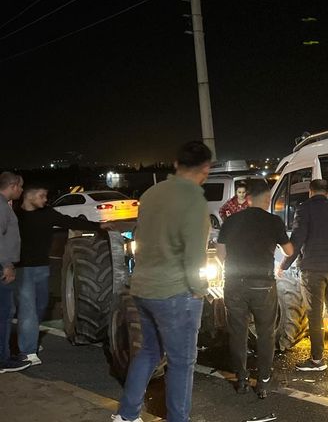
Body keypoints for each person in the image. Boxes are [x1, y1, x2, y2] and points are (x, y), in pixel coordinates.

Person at [113, 141, 212, 422]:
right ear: (205, 169)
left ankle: (127, 415)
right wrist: (200, 289)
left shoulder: (151, 193)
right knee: (182, 363)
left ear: (176, 164)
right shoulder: (194, 199)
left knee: (147, 352)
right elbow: (195, 253)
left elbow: (140, 237)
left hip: (143, 287)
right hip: (175, 292)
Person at [15, 183, 111, 366]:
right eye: (42, 196)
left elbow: (70, 221)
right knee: (28, 311)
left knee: (40, 306)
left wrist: (99, 225)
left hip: (42, 267)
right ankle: (27, 352)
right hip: (23, 269)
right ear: (29, 196)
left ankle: (31, 341)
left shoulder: (47, 213)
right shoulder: (16, 217)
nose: (45, 199)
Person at [216, 179, 288, 399]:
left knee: (238, 332)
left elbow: (220, 254)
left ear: (247, 198)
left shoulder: (231, 221)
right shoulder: (274, 222)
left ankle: (242, 379)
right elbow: (289, 249)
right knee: (266, 333)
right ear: (267, 198)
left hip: (234, 283)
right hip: (263, 285)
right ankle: (264, 381)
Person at [277, 179, 328, 372]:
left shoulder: (304, 209)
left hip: (312, 270)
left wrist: (284, 266)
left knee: (315, 312)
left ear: (311, 192)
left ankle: (317, 359)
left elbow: (297, 240)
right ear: (327, 193)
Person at [0, 172, 28, 374]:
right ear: (12, 186)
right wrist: (6, 264)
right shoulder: (1, 207)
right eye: (20, 186)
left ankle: (5, 353)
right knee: (4, 313)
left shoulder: (4, 205)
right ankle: (3, 359)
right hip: (2, 267)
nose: (22, 190)